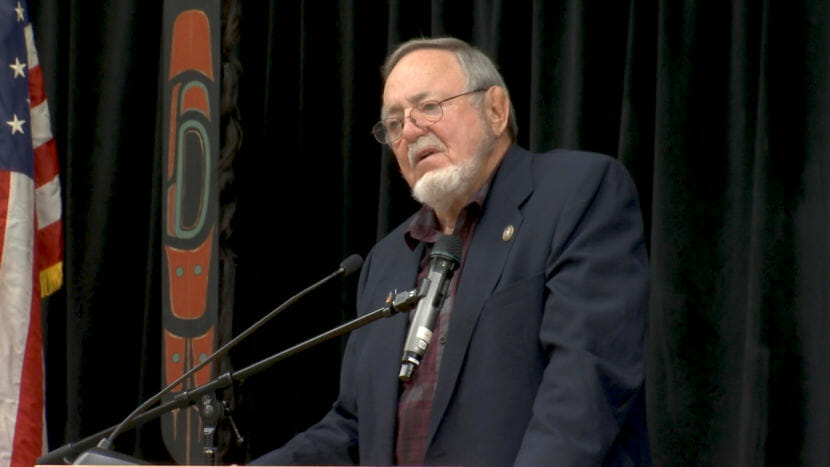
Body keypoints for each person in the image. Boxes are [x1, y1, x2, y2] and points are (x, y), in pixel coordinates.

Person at [253, 37, 650, 466]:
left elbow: (583, 390)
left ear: (495, 110)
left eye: (429, 107)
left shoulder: (575, 194)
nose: (409, 131)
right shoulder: (386, 261)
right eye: (393, 123)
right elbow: (353, 427)